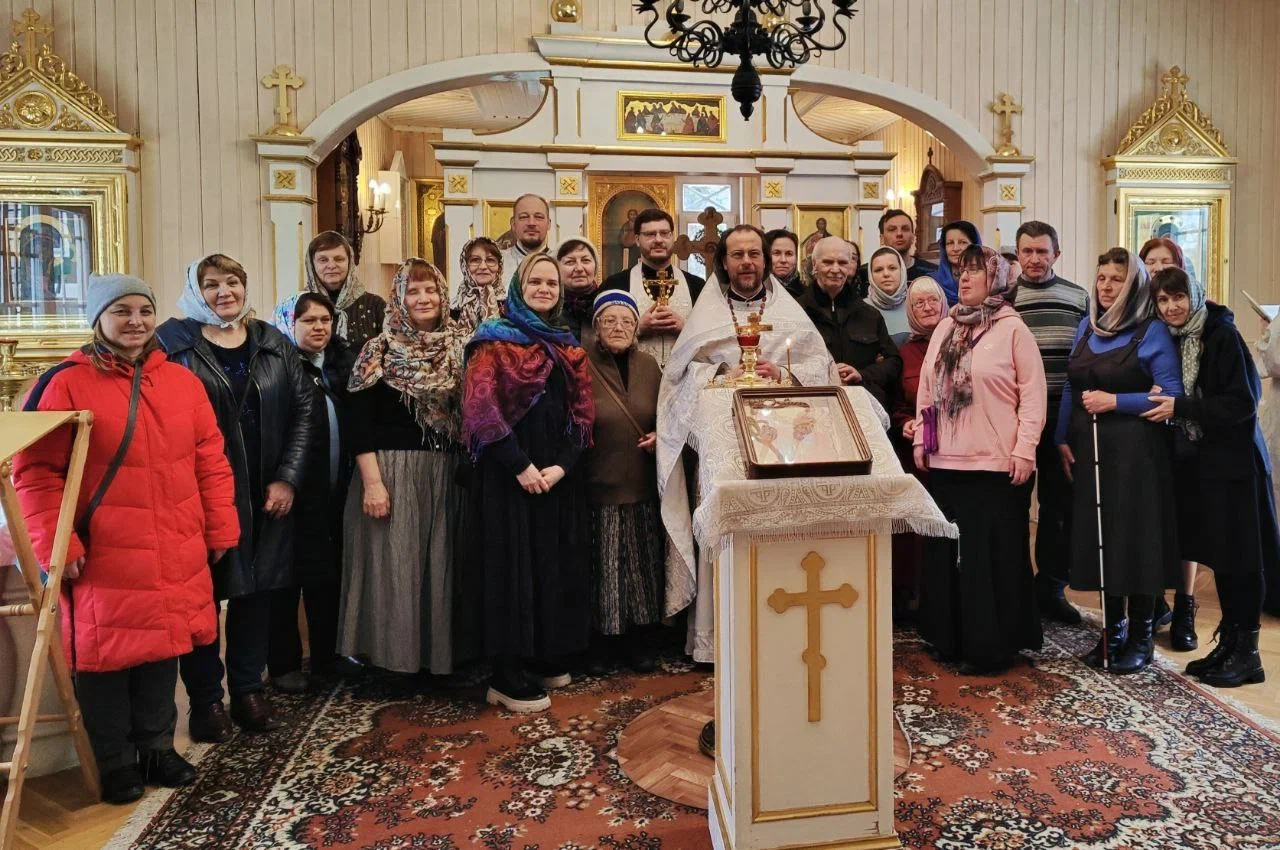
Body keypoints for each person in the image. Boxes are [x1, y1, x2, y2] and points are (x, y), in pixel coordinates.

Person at [14, 275, 238, 804]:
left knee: (163, 649)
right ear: (99, 318)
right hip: (104, 548)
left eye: (144, 310)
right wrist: (59, 546)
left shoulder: (182, 382)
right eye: (122, 311)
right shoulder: (63, 384)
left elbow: (210, 459)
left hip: (175, 542)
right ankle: (114, 761)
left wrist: (220, 526)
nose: (136, 321)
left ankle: (158, 748)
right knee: (104, 656)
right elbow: (36, 474)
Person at [657, 224, 837, 662]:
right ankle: (719, 640)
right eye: (737, 255)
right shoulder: (707, 315)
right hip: (724, 453)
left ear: (766, 259)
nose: (747, 262)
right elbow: (677, 380)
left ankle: (778, 635)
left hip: (785, 453)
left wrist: (786, 373)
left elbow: (824, 371)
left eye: (754, 253)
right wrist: (722, 374)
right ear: (724, 262)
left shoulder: (790, 313)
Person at [157, 254, 314, 736]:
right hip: (201, 492)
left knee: (257, 593)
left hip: (267, 490)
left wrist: (288, 477)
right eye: (211, 284)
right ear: (195, 290)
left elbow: (303, 410)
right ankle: (206, 701)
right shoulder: (171, 343)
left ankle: (248, 690)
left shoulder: (272, 341)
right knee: (202, 597)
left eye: (232, 282)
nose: (224, 292)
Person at [342, 258, 497, 677]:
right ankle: (394, 661)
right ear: (399, 298)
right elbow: (358, 424)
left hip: (448, 474)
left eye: (430, 290)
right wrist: (373, 483)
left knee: (445, 566)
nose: (423, 298)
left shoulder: (463, 346)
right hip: (392, 474)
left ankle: (442, 658)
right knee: (398, 568)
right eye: (413, 291)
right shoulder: (378, 349)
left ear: (443, 295)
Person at [462, 253, 596, 711]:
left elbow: (583, 413)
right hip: (507, 477)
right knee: (510, 569)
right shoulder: (491, 341)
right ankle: (505, 674)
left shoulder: (568, 346)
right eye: (535, 281)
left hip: (554, 477)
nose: (544, 289)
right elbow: (480, 409)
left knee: (548, 564)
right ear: (519, 287)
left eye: (551, 284)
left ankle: (541, 654)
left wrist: (561, 466)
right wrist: (520, 465)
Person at [912, 246, 1047, 674]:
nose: (965, 278)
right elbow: (928, 389)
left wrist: (1025, 449)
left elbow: (1033, 396)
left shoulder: (1013, 329)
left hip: (995, 464)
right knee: (947, 555)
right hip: (946, 462)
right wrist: (922, 442)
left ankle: (991, 646)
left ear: (996, 278)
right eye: (961, 270)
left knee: (989, 560)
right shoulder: (946, 326)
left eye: (975, 271)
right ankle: (949, 637)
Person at [1146, 267, 1275, 686]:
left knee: (1243, 559)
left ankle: (1248, 654)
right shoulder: (1180, 339)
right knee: (1223, 558)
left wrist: (1181, 407)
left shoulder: (1221, 335)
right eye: (1163, 300)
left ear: (1195, 295)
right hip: (1211, 466)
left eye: (1178, 297)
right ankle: (1230, 644)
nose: (1172, 307)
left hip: (1238, 466)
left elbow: (1241, 404)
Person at [1056, 248, 1183, 675]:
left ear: (1134, 285)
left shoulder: (1152, 331)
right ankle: (1113, 630)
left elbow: (1171, 394)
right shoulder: (1085, 327)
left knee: (1135, 540)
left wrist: (1116, 401)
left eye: (1117, 279)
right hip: (1090, 450)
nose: (1107, 287)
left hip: (1137, 454)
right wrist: (1061, 437)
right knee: (1103, 539)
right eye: (1102, 278)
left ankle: (1142, 636)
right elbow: (1073, 386)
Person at [266, 291, 356, 693]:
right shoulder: (276, 366)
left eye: (325, 319)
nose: (319, 327)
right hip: (290, 491)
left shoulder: (339, 363)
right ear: (289, 323)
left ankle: (327, 657)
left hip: (334, 489)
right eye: (308, 321)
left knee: (326, 575)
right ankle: (284, 663)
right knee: (286, 582)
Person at [582, 290, 666, 672]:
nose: (618, 327)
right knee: (603, 570)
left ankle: (640, 641)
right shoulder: (580, 364)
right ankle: (603, 644)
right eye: (609, 320)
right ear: (596, 327)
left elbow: (668, 414)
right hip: (597, 484)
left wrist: (661, 436)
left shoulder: (650, 366)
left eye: (627, 321)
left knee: (642, 566)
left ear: (636, 329)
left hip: (642, 484)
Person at [1013, 221, 1090, 626]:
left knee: (1059, 507)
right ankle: (1016, 587)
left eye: (1042, 251)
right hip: (1017, 419)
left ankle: (1052, 587)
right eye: (1027, 251)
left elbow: (1089, 357)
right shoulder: (1004, 298)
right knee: (1015, 504)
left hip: (1063, 418)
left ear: (1056, 254)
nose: (1035, 259)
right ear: (1017, 254)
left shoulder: (1078, 297)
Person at [1139, 236, 1200, 647]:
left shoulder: (1197, 319)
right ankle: (1154, 602)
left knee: (1187, 523)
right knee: (1153, 521)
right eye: (1151, 262)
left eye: (1165, 261)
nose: (1158, 268)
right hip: (1148, 431)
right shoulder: (1138, 315)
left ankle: (1185, 607)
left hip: (1187, 432)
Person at [889, 276, 947, 619]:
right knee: (915, 530)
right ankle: (912, 596)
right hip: (917, 456)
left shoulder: (960, 342)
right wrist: (905, 423)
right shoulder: (904, 353)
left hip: (955, 455)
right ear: (909, 311)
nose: (927, 308)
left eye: (933, 301)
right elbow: (897, 403)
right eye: (918, 303)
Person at [797, 236, 901, 407]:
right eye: (828, 262)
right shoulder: (798, 312)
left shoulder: (869, 314)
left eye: (842, 263)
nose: (835, 269)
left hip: (862, 404)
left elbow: (894, 362)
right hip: (812, 406)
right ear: (814, 265)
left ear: (851, 266)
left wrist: (862, 374)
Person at [602, 208, 706, 368]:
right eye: (650, 234)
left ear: (672, 237)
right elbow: (601, 341)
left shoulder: (697, 285)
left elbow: (711, 340)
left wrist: (684, 328)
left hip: (686, 378)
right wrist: (638, 328)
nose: (658, 240)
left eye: (664, 233)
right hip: (633, 377)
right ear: (637, 239)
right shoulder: (616, 284)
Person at [305, 230, 386, 352]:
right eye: (323, 260)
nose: (331, 265)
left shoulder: (375, 305)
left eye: (339, 259)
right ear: (312, 264)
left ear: (350, 262)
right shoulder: (299, 305)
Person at [852, 209, 939, 300]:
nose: (899, 234)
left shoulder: (932, 272)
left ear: (913, 237)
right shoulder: (863, 273)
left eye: (905, 229)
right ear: (882, 238)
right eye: (892, 230)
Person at [556, 235, 602, 340]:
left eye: (585, 260)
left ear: (595, 266)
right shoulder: (550, 307)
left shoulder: (606, 304)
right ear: (557, 268)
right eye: (570, 262)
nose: (579, 268)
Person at [866, 245, 912, 344]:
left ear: (902, 271)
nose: (886, 274)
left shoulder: (917, 305)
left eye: (892, 268)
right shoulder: (860, 309)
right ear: (871, 275)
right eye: (878, 270)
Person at [930, 220, 982, 305]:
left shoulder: (988, 282)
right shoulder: (932, 283)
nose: (955, 248)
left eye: (962, 242)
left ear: (975, 247)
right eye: (950, 243)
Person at [500, 193, 552, 273]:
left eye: (539, 217)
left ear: (548, 224)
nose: (531, 223)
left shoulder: (560, 262)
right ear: (513, 224)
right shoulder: (497, 262)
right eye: (524, 217)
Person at [458, 236, 504, 319]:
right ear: (465, 266)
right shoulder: (452, 309)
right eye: (475, 260)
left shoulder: (511, 307)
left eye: (490, 260)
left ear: (499, 266)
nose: (483, 266)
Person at [765, 228, 804, 298]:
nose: (783, 260)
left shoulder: (808, 296)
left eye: (789, 254)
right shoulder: (753, 293)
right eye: (776, 253)